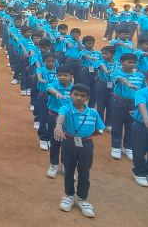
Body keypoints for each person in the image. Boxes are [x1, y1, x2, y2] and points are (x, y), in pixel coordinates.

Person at [53, 83, 102, 219]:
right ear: (70, 95)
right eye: (76, 94)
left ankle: (82, 198)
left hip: (87, 144)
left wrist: (85, 136)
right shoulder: (66, 109)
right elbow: (61, 117)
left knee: (84, 171)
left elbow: (98, 130)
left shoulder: (93, 113)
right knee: (69, 169)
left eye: (82, 96)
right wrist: (58, 125)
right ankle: (69, 196)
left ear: (87, 98)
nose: (79, 97)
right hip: (69, 142)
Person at [110, 53, 146, 160]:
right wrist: (128, 83)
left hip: (134, 104)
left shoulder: (140, 76)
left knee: (131, 125)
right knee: (117, 124)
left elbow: (144, 90)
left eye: (134, 62)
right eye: (129, 62)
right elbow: (120, 79)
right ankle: (116, 147)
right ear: (121, 62)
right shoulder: (116, 73)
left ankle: (128, 147)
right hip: (119, 102)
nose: (132, 64)